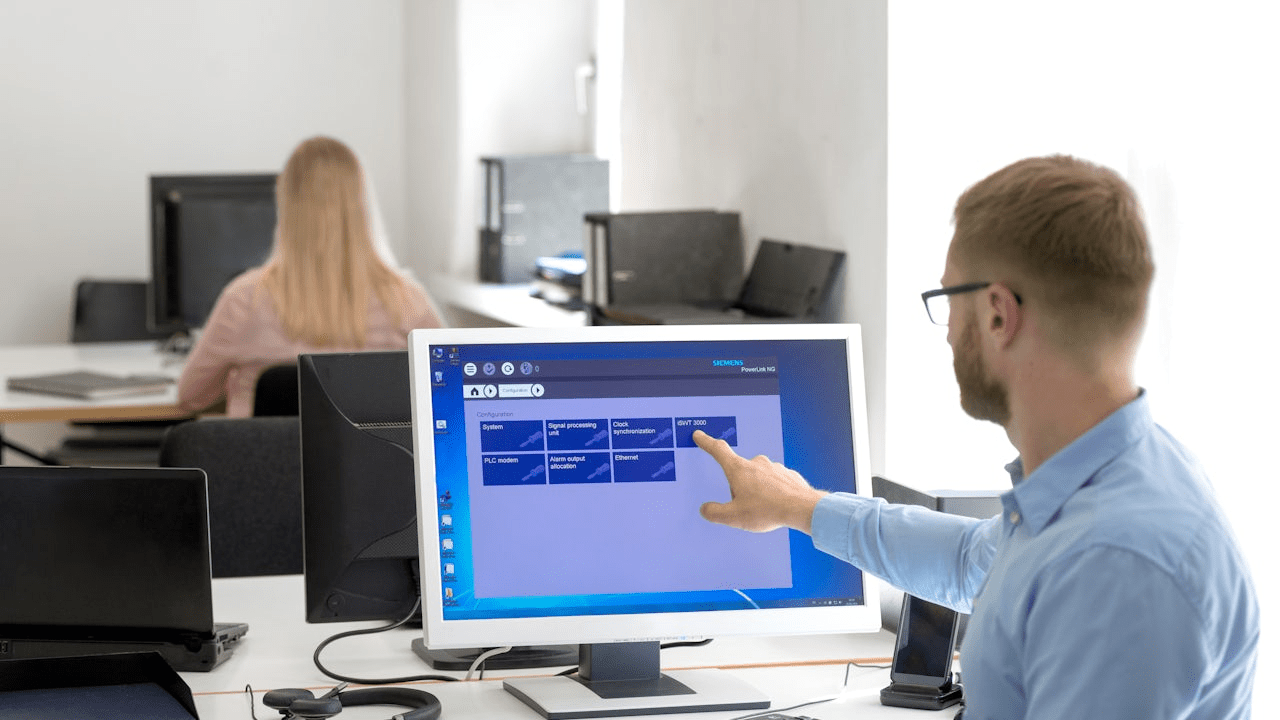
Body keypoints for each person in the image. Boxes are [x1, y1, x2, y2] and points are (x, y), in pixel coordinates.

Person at [693, 155, 1258, 719]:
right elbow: (970, 563)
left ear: (996, 315)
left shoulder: (1118, 567)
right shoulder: (1110, 479)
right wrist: (801, 506)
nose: (946, 336)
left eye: (946, 302)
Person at [177, 136, 443, 417]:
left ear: (286, 204)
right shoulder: (406, 301)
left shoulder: (244, 300)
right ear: (361, 204)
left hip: (264, 460)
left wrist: (237, 383)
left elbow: (191, 397)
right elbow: (449, 394)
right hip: (374, 461)